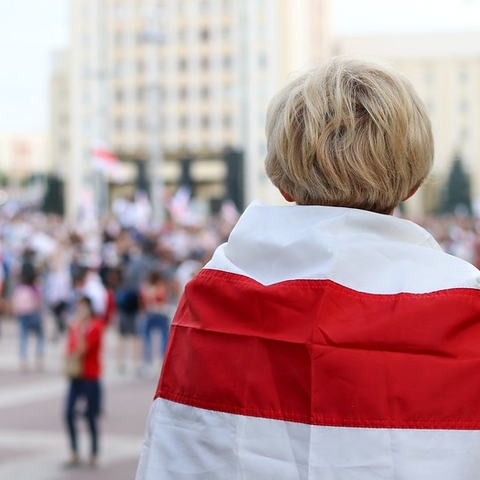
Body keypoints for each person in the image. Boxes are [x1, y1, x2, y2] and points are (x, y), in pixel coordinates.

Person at [136, 56, 480, 479]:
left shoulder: (213, 294)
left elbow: (181, 450)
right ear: (413, 183)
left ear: (282, 183)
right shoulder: (467, 307)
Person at [64, 295, 104, 468]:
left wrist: (80, 330)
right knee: (68, 413)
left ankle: (94, 451)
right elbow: (70, 349)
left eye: (84, 307)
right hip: (76, 376)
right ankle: (74, 451)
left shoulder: (95, 326)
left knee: (90, 415)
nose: (81, 311)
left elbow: (84, 349)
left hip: (91, 376)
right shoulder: (75, 327)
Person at [12, 268, 44, 372]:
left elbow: (15, 301)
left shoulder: (19, 287)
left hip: (23, 315)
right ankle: (39, 357)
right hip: (33, 313)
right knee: (39, 336)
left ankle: (24, 359)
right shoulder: (34, 287)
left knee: (24, 337)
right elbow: (39, 301)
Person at [139, 270, 171, 371]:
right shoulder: (160, 287)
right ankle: (157, 360)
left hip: (153, 312)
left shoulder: (147, 287)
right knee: (161, 337)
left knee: (155, 338)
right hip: (157, 312)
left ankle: (152, 361)